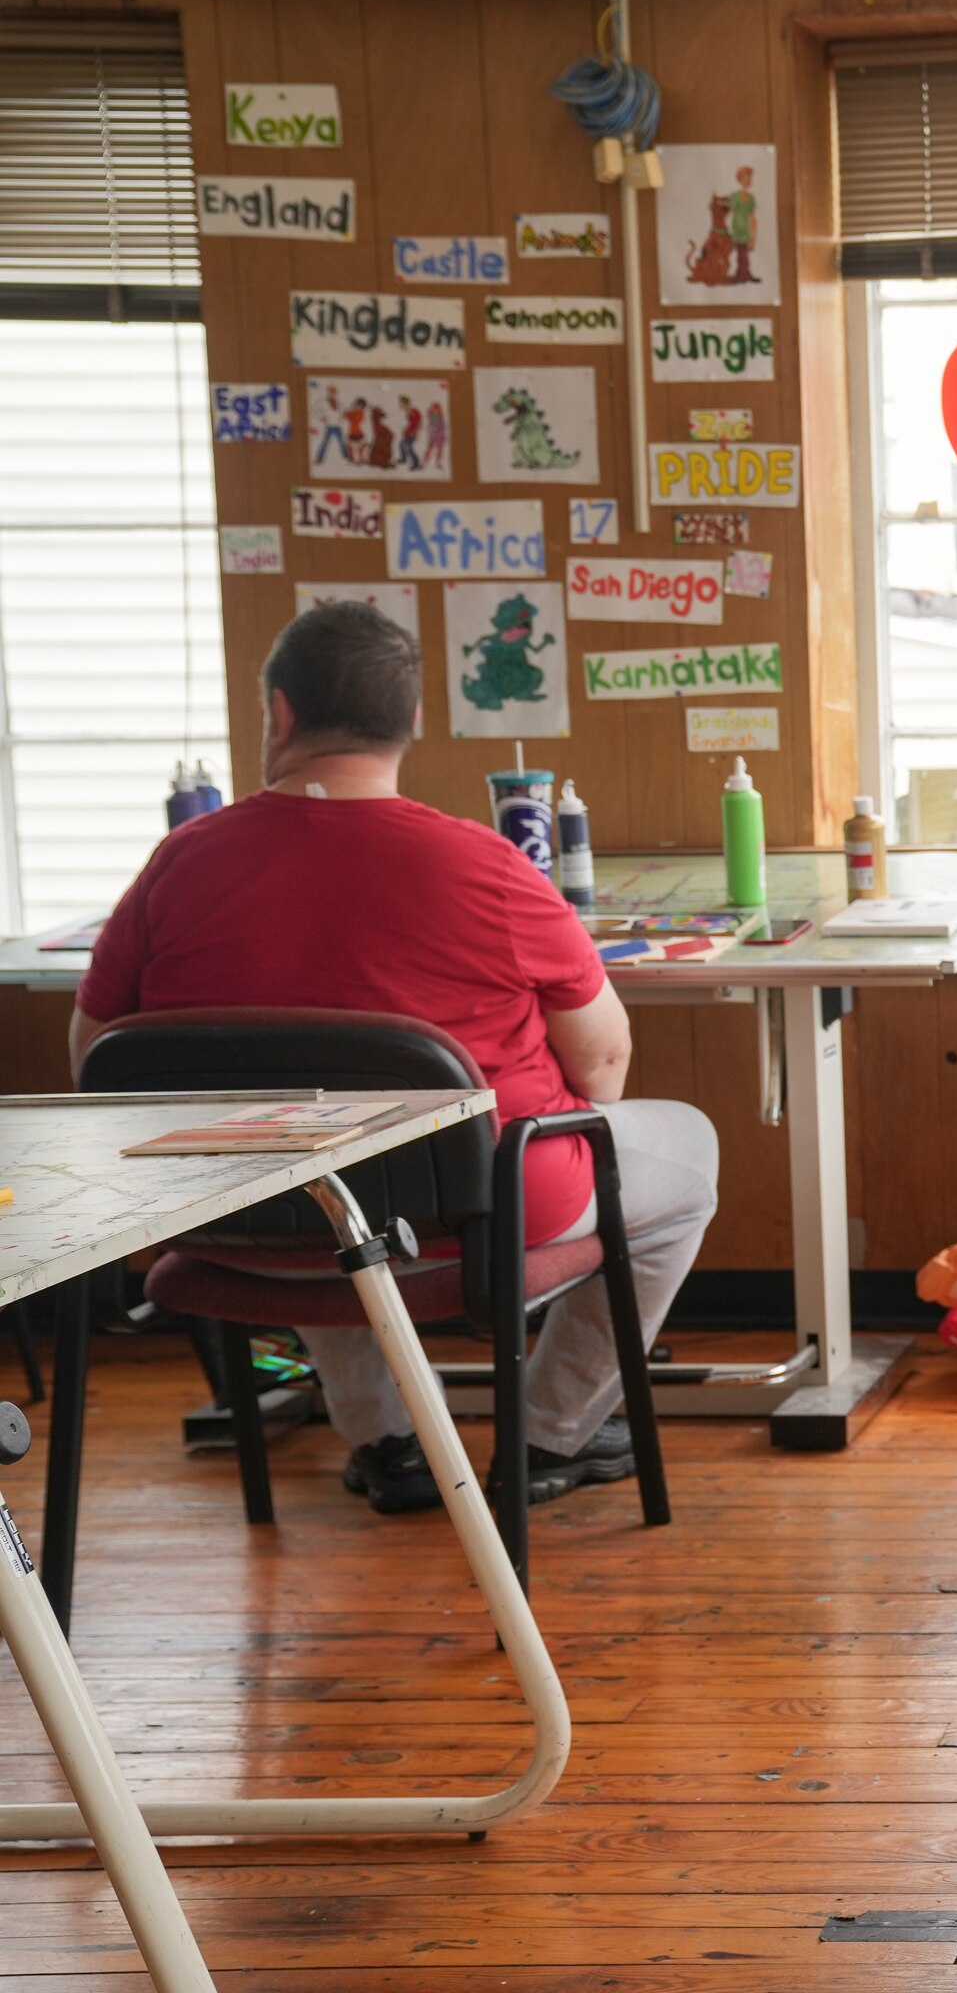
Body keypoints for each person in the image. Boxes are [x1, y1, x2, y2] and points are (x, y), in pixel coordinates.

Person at [71, 602, 719, 1517]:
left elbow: (95, 1064)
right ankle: (547, 1434)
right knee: (686, 1156)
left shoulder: (178, 863)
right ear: (412, 724)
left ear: (281, 715)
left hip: (233, 1220)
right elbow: (604, 1066)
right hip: (475, 1222)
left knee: (305, 1160)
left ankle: (387, 1440)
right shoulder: (489, 867)